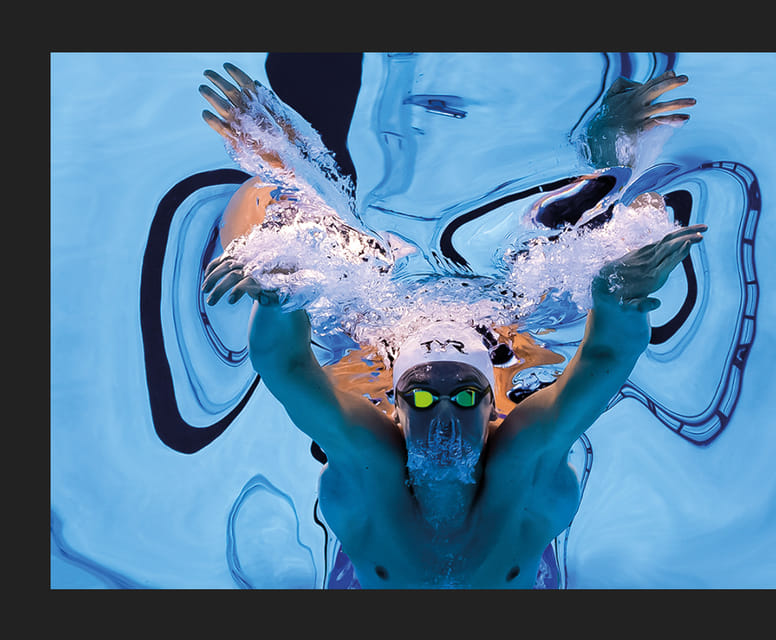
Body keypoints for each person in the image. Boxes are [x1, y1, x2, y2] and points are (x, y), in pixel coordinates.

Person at [200, 61, 706, 588]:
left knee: (289, 262)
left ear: (491, 407)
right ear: (397, 408)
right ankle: (609, 162)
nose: (443, 414)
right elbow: (602, 359)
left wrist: (278, 292)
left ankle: (283, 163)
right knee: (564, 282)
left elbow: (285, 365)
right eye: (422, 397)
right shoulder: (484, 463)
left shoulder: (484, 464)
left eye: (463, 396)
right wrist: (621, 296)